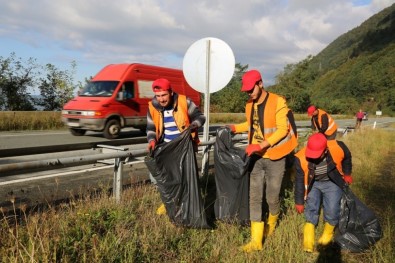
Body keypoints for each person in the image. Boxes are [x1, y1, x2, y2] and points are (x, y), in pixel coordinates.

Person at [228, 70, 298, 252]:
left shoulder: (278, 101)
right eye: (245, 91)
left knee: (272, 196)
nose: (248, 93)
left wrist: (261, 145)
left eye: (250, 89)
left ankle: (272, 225)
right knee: (255, 196)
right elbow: (252, 125)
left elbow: (282, 130)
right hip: (257, 158)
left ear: (260, 83)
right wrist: (235, 127)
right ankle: (256, 241)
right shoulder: (249, 104)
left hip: (275, 156)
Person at [146, 78, 206, 215]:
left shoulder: (185, 102)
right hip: (165, 147)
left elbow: (201, 117)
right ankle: (168, 202)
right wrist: (152, 141)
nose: (161, 99)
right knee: (161, 177)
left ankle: (186, 207)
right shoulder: (153, 106)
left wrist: (193, 125)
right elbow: (150, 128)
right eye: (158, 96)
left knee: (183, 179)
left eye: (164, 95)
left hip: (184, 148)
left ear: (171, 92)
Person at [294, 133, 353, 252]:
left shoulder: (338, 147)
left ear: (325, 150)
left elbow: (347, 157)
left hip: (332, 182)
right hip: (313, 184)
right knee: (311, 207)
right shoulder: (300, 158)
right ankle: (308, 237)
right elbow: (299, 181)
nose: (313, 158)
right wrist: (299, 201)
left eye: (317, 155)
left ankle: (328, 233)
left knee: (332, 208)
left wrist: (347, 173)